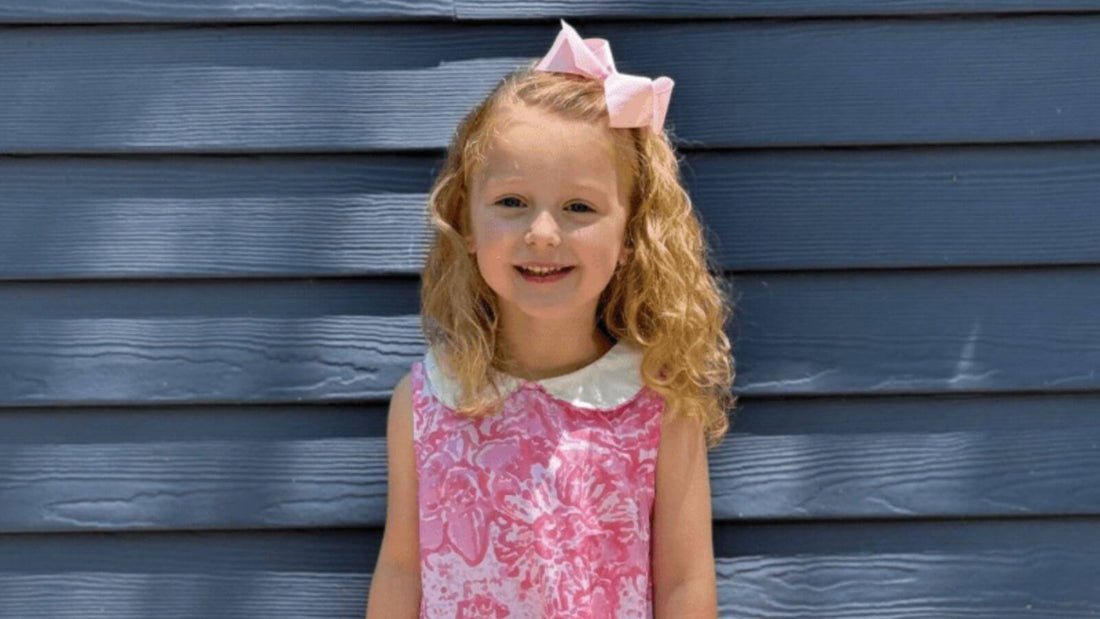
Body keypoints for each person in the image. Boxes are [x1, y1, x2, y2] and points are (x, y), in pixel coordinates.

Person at [367, 19, 736, 618]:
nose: (542, 233)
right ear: (465, 221)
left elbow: (685, 584)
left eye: (579, 207)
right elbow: (402, 568)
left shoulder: (659, 407)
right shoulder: (428, 401)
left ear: (631, 236)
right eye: (511, 202)